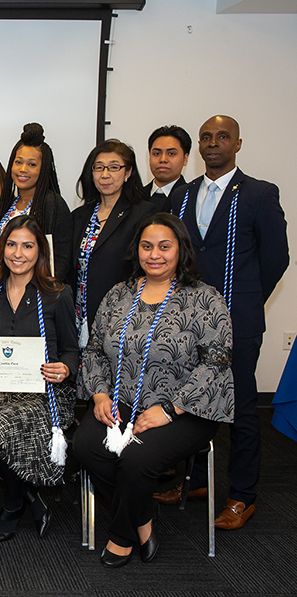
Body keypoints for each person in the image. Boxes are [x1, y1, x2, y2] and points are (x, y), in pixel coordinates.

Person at [74, 213, 234, 567]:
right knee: (86, 445)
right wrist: (99, 394)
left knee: (136, 458)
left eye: (165, 246)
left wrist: (169, 410)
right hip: (123, 400)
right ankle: (143, 517)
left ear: (181, 251)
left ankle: (122, 534)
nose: (154, 254)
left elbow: (217, 364)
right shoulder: (119, 294)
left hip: (187, 410)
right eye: (147, 246)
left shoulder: (205, 299)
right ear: (137, 251)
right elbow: (96, 350)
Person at [159, 115, 289, 530]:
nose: (213, 143)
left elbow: (275, 260)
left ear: (237, 144)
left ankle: (242, 495)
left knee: (242, 409)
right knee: (191, 401)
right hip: (187, 325)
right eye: (206, 138)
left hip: (238, 321)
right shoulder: (184, 194)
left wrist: (246, 300)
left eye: (223, 137)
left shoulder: (259, 194)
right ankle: (196, 481)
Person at [0, 215, 77, 543]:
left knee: (3, 429)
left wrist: (64, 368)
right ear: (0, 248)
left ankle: (11, 507)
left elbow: (71, 350)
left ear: (41, 251)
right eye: (11, 244)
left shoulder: (57, 294)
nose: (18, 253)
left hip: (45, 393)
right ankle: (29, 496)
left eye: (27, 245)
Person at [69, 140, 156, 348]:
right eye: (98, 167)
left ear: (128, 173)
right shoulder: (79, 217)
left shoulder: (144, 213)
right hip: (78, 316)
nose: (105, 174)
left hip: (122, 318)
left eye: (114, 167)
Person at [0, 122, 73, 280]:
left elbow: (62, 260)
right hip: (7, 291)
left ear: (43, 169)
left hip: (39, 295)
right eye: (18, 162)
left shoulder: (53, 204)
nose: (23, 169)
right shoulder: (8, 205)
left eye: (32, 164)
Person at [144, 125, 191, 211]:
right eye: (157, 154)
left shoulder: (191, 198)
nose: (163, 160)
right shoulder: (135, 198)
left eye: (171, 154)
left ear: (185, 159)